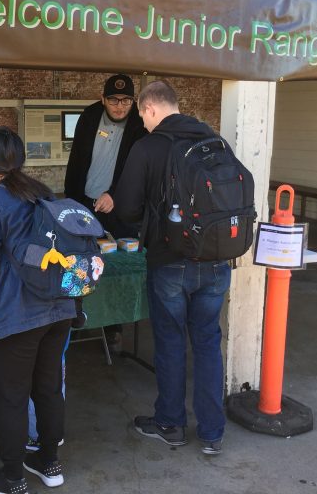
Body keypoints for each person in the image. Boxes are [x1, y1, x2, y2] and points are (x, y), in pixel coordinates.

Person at [114, 79, 232, 456]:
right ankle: (213, 433)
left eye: (142, 116)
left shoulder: (148, 146)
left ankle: (171, 423)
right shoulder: (215, 142)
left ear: (148, 109)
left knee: (169, 341)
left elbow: (127, 209)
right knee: (208, 342)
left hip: (170, 262)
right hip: (216, 261)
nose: (143, 123)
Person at [0, 126, 75, 494]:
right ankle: (49, 463)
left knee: (12, 396)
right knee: (48, 389)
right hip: (60, 306)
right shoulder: (43, 192)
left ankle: (12, 478)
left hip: (17, 314)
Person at [64, 73, 147, 351]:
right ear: (103, 99)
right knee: (79, 261)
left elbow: (137, 169)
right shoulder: (89, 116)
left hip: (118, 207)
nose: (120, 106)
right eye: (113, 100)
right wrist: (72, 200)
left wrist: (117, 195)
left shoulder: (139, 125)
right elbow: (76, 159)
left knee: (114, 265)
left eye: (125, 100)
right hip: (85, 202)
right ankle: (76, 317)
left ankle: (114, 327)